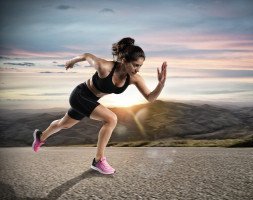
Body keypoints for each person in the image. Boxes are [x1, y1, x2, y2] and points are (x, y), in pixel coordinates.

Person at [32, 37, 167, 175]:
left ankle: (40, 137)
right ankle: (98, 161)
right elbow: (86, 56)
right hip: (80, 95)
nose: (137, 70)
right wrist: (72, 61)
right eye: (135, 65)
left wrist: (160, 85)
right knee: (111, 119)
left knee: (64, 124)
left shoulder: (134, 78)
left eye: (140, 66)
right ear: (125, 61)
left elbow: (150, 98)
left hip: (91, 100)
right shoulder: (105, 67)